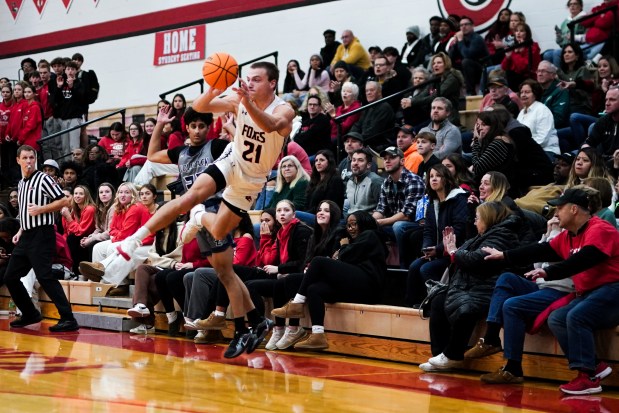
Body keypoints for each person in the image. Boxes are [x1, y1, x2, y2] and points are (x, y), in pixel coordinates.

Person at [120, 61, 294, 358]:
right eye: (247, 79)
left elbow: (270, 125)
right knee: (190, 198)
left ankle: (199, 218)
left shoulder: (283, 108)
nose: (249, 83)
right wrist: (215, 82)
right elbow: (200, 106)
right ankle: (135, 238)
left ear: (273, 83)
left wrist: (246, 103)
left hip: (251, 181)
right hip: (232, 162)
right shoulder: (240, 99)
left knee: (218, 240)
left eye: (256, 80)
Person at [473, 186, 619, 395]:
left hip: (613, 291)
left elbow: (584, 260)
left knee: (576, 316)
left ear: (574, 209)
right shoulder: (568, 235)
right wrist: (505, 255)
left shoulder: (600, 229)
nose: (556, 213)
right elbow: (539, 249)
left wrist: (548, 272)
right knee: (557, 318)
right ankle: (595, 366)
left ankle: (588, 377)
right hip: (591, 293)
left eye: (559, 208)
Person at [419, 201, 520, 372]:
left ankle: (452, 355)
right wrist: (453, 250)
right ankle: (440, 355)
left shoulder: (503, 235)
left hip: (489, 287)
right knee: (437, 300)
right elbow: (463, 254)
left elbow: (477, 259)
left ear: (488, 218)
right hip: (473, 284)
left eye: (477, 218)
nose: (474, 222)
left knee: (467, 307)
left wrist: (453, 251)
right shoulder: (485, 235)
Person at [271, 210, 387, 350]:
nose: (351, 229)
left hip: (368, 285)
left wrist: (344, 247)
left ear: (363, 222)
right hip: (355, 287)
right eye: (348, 226)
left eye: (354, 224)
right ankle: (318, 335)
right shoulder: (356, 241)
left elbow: (346, 257)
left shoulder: (370, 235)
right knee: (314, 289)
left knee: (319, 262)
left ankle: (297, 303)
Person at [4, 145, 78, 332]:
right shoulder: (21, 183)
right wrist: (21, 230)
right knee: (10, 276)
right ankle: (30, 313)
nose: (29, 161)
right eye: (25, 158)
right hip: (27, 235)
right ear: (18, 160)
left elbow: (64, 200)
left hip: (43, 234)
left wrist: (41, 209)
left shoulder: (43, 179)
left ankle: (68, 319)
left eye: (32, 157)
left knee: (45, 276)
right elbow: (25, 212)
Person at [405, 164, 470, 307]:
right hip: (439, 251)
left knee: (426, 269)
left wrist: (438, 249)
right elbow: (428, 230)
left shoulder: (458, 198)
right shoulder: (431, 201)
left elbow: (458, 231)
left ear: (446, 179)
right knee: (415, 266)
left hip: (455, 252)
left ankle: (437, 305)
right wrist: (427, 249)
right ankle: (412, 306)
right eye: (431, 176)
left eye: (438, 176)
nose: (434, 179)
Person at [78, 182, 154, 296]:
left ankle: (118, 283)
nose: (123, 195)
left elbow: (125, 233)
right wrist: (117, 236)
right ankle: (100, 281)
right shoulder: (118, 207)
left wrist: (116, 236)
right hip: (128, 240)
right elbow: (112, 229)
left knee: (114, 247)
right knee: (98, 247)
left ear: (133, 195)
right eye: (120, 192)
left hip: (145, 243)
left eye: (127, 192)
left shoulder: (136, 208)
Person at [373, 146, 425, 268]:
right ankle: (378, 267)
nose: (387, 161)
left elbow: (407, 215)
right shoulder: (386, 182)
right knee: (368, 226)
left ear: (402, 161)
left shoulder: (413, 180)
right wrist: (371, 221)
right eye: (385, 158)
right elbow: (381, 208)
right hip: (393, 222)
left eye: (391, 158)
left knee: (399, 226)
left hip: (415, 224)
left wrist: (380, 222)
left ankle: (404, 267)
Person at [297, 150, 345, 224]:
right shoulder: (314, 181)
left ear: (329, 162)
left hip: (328, 217)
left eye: (322, 160)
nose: (318, 163)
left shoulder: (335, 180)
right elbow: (306, 203)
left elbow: (329, 204)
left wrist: (306, 213)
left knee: (294, 214)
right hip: (312, 215)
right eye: (316, 160)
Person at [517, 79, 561, 157]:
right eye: (522, 92)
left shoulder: (542, 110)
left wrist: (524, 149)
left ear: (535, 94)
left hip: (546, 152)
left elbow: (542, 140)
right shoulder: (521, 112)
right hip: (527, 152)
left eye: (527, 92)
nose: (523, 95)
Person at [470, 110, 515, 183]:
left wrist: (476, 141)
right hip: (490, 182)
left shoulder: (498, 143)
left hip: (498, 186)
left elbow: (477, 168)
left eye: (484, 125)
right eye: (478, 125)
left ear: (493, 126)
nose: (479, 128)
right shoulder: (489, 140)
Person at [62, 185, 96, 276]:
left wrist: (68, 217)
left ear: (86, 196)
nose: (77, 196)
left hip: (88, 237)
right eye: (76, 193)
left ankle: (76, 272)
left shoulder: (90, 209)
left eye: (81, 194)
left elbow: (81, 231)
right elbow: (67, 230)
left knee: (72, 239)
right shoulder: (75, 209)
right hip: (78, 237)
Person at [450, 16, 489, 95]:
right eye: (461, 25)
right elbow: (450, 57)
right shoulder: (461, 39)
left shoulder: (477, 38)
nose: (463, 27)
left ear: (472, 26)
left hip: (483, 69)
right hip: (469, 70)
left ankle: (470, 92)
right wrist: (455, 43)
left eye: (466, 24)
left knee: (466, 62)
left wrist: (460, 41)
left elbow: (468, 55)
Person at [501, 23, 541, 91]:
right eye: (516, 31)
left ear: (527, 33)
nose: (518, 33)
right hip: (515, 79)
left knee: (511, 75)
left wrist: (515, 54)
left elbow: (523, 67)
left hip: (528, 78)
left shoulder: (533, 47)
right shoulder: (514, 46)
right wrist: (507, 57)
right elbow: (504, 67)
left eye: (521, 31)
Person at [346, 148, 383, 214]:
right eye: (353, 160)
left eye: (360, 160)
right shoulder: (350, 181)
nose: (355, 163)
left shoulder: (375, 181)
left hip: (368, 221)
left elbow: (383, 209)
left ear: (368, 165)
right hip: (351, 220)